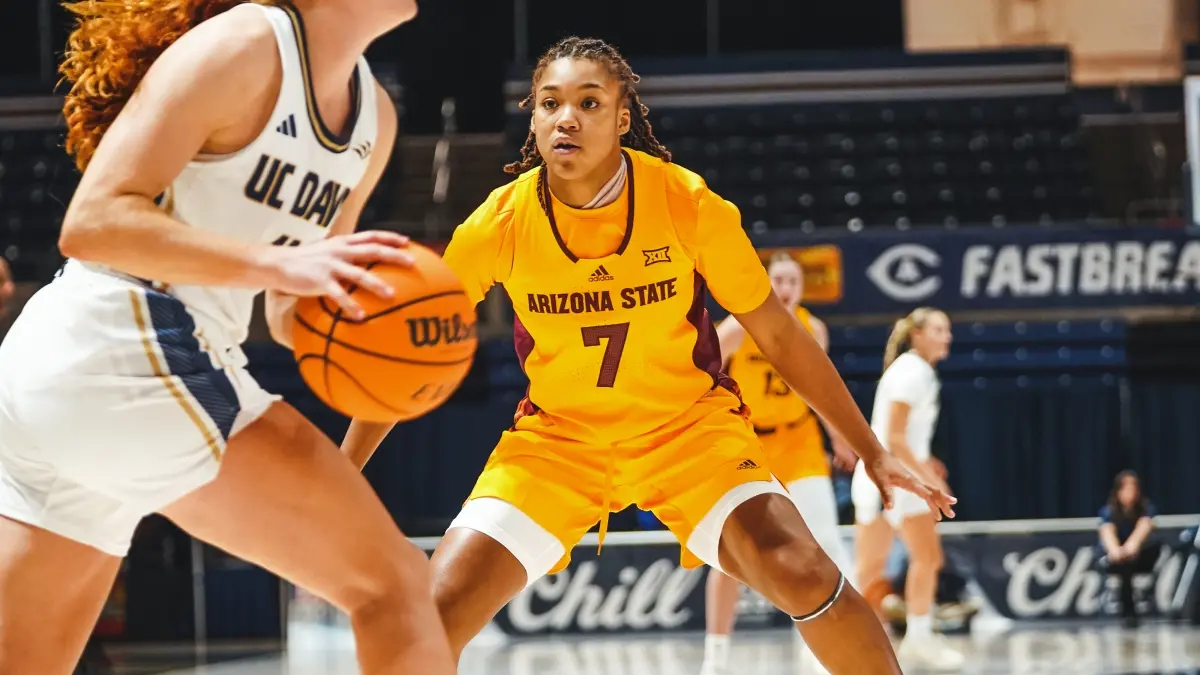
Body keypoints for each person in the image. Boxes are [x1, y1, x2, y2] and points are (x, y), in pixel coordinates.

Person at [338, 36, 955, 674]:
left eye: (589, 101)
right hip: (559, 444)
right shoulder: (500, 221)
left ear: (623, 118)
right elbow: (406, 358)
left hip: (688, 431)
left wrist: (872, 450)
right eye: (549, 103)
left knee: (803, 571)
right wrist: (344, 470)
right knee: (427, 622)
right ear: (534, 118)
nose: (566, 117)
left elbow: (779, 335)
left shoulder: (685, 203)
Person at [0, 1, 457, 672]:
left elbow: (290, 307)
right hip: (127, 341)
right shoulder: (244, 45)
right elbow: (94, 221)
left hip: (75, 378)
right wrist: (278, 263)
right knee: (396, 589)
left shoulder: (374, 120)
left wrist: (388, 327)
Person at [700, 252, 857, 675]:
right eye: (780, 281)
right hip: (748, 441)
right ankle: (715, 657)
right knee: (730, 550)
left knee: (824, 541)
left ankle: (820, 649)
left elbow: (819, 390)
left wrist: (840, 436)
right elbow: (698, 372)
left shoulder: (813, 329)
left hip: (799, 439)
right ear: (766, 284)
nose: (786, 289)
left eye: (794, 282)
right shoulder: (740, 323)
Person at [851, 307, 962, 670]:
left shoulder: (915, 371)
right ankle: (916, 637)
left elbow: (902, 438)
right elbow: (896, 439)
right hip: (895, 478)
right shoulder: (913, 372)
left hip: (882, 475)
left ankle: (888, 641)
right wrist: (929, 480)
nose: (947, 336)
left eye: (947, 329)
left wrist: (926, 462)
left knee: (875, 568)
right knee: (921, 560)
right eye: (938, 329)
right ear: (916, 334)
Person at [1098, 470, 1158, 626]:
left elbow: (1143, 528)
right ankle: (1127, 611)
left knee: (1129, 562)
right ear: (1118, 492)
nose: (1130, 493)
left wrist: (1130, 547)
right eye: (1126, 489)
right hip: (1117, 559)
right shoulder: (1109, 512)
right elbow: (1107, 532)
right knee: (1123, 565)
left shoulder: (1146, 510)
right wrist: (1116, 550)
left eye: (1133, 489)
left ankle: (1131, 611)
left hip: (1138, 555)